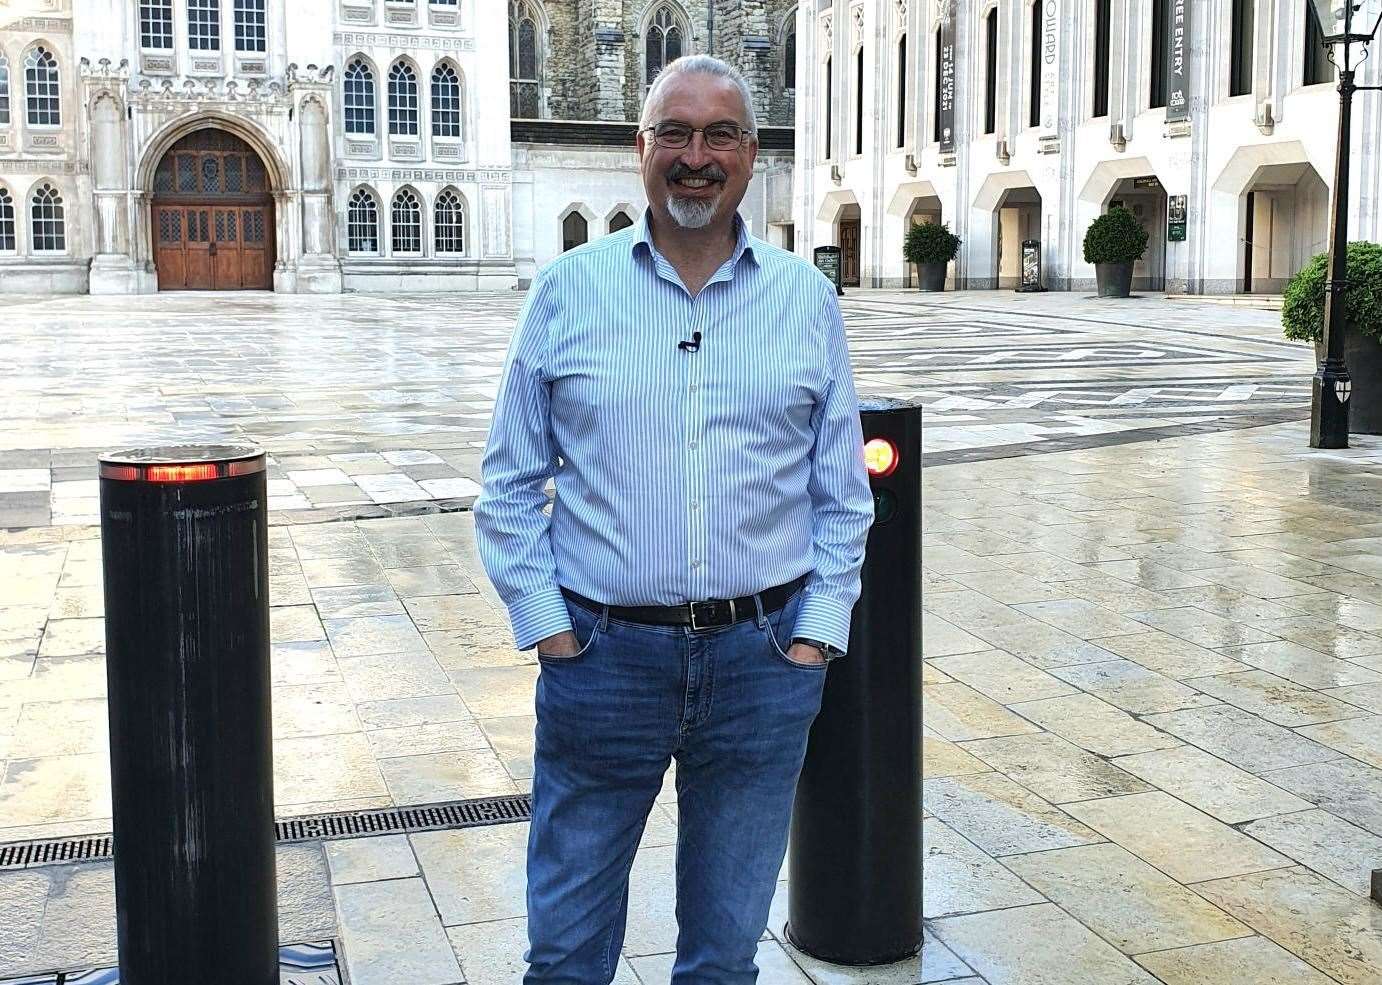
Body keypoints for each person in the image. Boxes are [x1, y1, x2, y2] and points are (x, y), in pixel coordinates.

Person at [474, 54, 873, 985]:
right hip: (605, 661)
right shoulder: (568, 292)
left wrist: (813, 639)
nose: (698, 156)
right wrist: (554, 634)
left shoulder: (806, 300)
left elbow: (842, 497)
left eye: (720, 134)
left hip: (760, 665)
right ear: (640, 148)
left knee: (724, 958)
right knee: (567, 954)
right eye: (677, 134)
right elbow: (507, 484)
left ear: (750, 152)